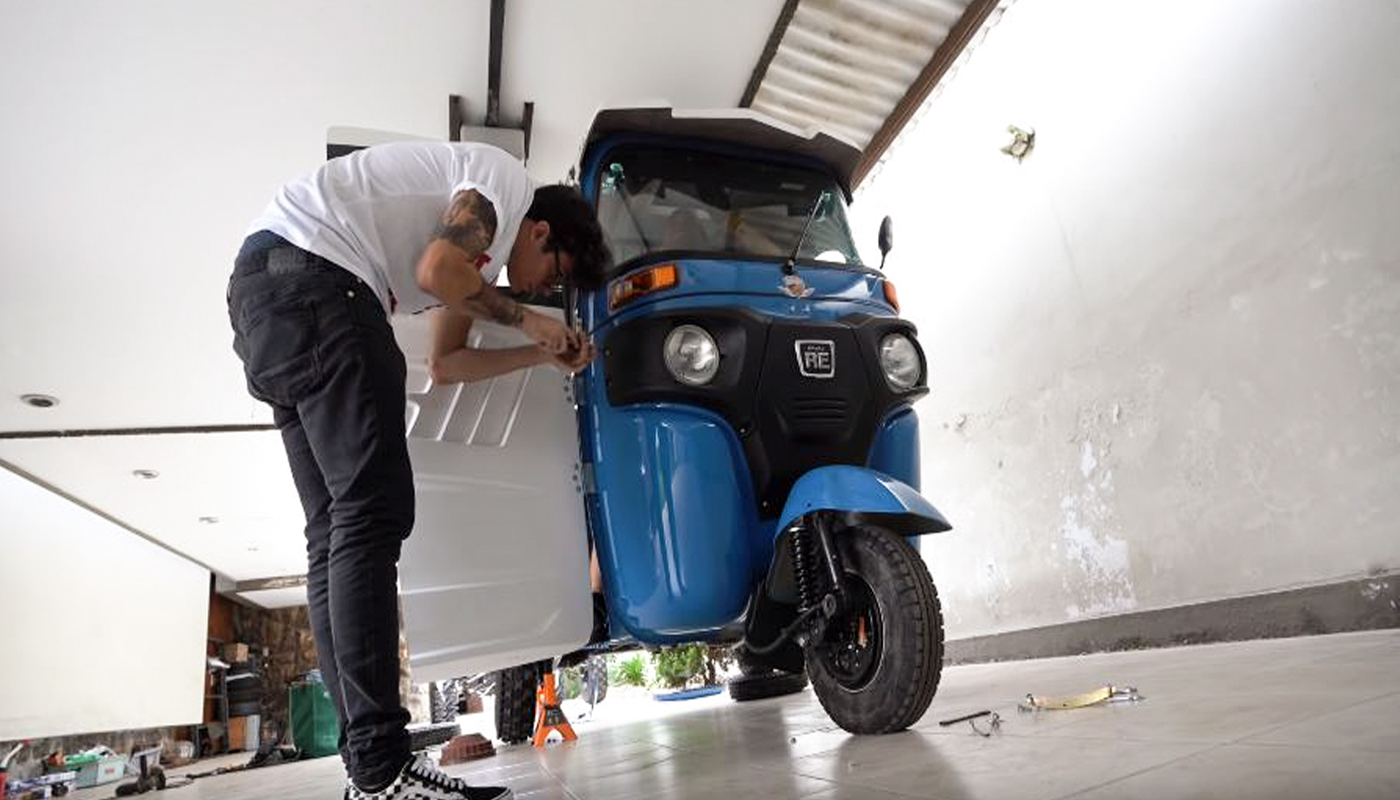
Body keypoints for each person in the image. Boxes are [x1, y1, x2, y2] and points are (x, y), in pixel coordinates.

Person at [226, 141, 608, 800]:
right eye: (556, 271)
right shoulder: (503, 182)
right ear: (541, 229)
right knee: (371, 520)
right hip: (322, 283)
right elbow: (436, 270)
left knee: (334, 534)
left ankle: (369, 773)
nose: (546, 290)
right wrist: (528, 323)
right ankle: (382, 766)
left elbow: (448, 366)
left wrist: (540, 355)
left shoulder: (474, 258)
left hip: (265, 298)